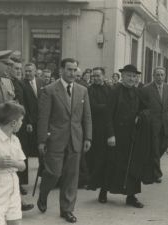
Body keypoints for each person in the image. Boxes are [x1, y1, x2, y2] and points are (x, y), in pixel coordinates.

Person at [37, 58, 92, 223]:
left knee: (71, 175)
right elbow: (43, 118)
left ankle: (66, 209)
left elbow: (87, 117)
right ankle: (43, 195)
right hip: (55, 139)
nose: (73, 73)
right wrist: (41, 141)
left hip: (75, 139)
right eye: (69, 70)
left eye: (75, 70)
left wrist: (88, 137)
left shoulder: (83, 90)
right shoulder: (49, 90)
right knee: (53, 173)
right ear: (61, 70)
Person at [104, 64, 149, 208]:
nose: (132, 78)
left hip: (133, 136)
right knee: (111, 165)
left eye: (134, 76)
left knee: (132, 166)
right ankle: (103, 191)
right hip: (116, 136)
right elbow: (108, 115)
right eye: (129, 75)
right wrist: (110, 135)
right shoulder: (114, 92)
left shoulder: (138, 92)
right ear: (122, 76)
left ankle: (131, 196)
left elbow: (145, 110)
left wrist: (140, 117)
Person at [0, 102, 26, 225]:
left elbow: (22, 166)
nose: (22, 123)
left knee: (16, 222)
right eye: (21, 120)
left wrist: (16, 163)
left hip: (13, 189)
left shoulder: (15, 140)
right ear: (13, 123)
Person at [8, 57, 34, 211]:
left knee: (18, 157)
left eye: (20, 68)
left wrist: (27, 121)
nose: (20, 71)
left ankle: (17, 194)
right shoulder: (7, 82)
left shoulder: (17, 83)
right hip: (7, 127)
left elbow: (25, 104)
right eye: (16, 68)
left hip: (17, 124)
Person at [141, 66, 168, 183]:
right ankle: (156, 174)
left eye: (162, 75)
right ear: (153, 76)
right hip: (152, 124)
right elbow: (143, 106)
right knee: (154, 148)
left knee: (165, 144)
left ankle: (150, 165)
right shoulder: (146, 89)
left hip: (165, 122)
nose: (160, 77)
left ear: (165, 76)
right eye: (157, 75)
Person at [86, 67, 112, 203]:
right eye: (93, 76)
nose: (95, 78)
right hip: (96, 129)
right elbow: (93, 107)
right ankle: (97, 186)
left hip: (109, 128)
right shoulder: (90, 90)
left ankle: (105, 190)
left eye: (98, 76)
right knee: (97, 160)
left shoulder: (110, 89)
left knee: (108, 160)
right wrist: (108, 107)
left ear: (104, 76)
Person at [22, 63, 46, 157]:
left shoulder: (42, 82)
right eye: (26, 71)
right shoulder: (21, 83)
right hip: (30, 120)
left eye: (30, 71)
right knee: (30, 147)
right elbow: (23, 104)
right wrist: (28, 121)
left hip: (41, 119)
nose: (27, 73)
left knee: (42, 145)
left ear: (35, 71)